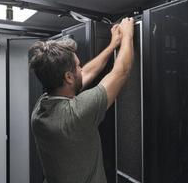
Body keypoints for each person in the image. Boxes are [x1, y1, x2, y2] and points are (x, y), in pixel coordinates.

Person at [29, 17, 134, 183]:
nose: (81, 68)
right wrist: (128, 35)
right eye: (78, 65)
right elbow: (121, 71)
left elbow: (84, 74)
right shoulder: (76, 114)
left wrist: (113, 46)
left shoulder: (40, 108)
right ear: (69, 77)